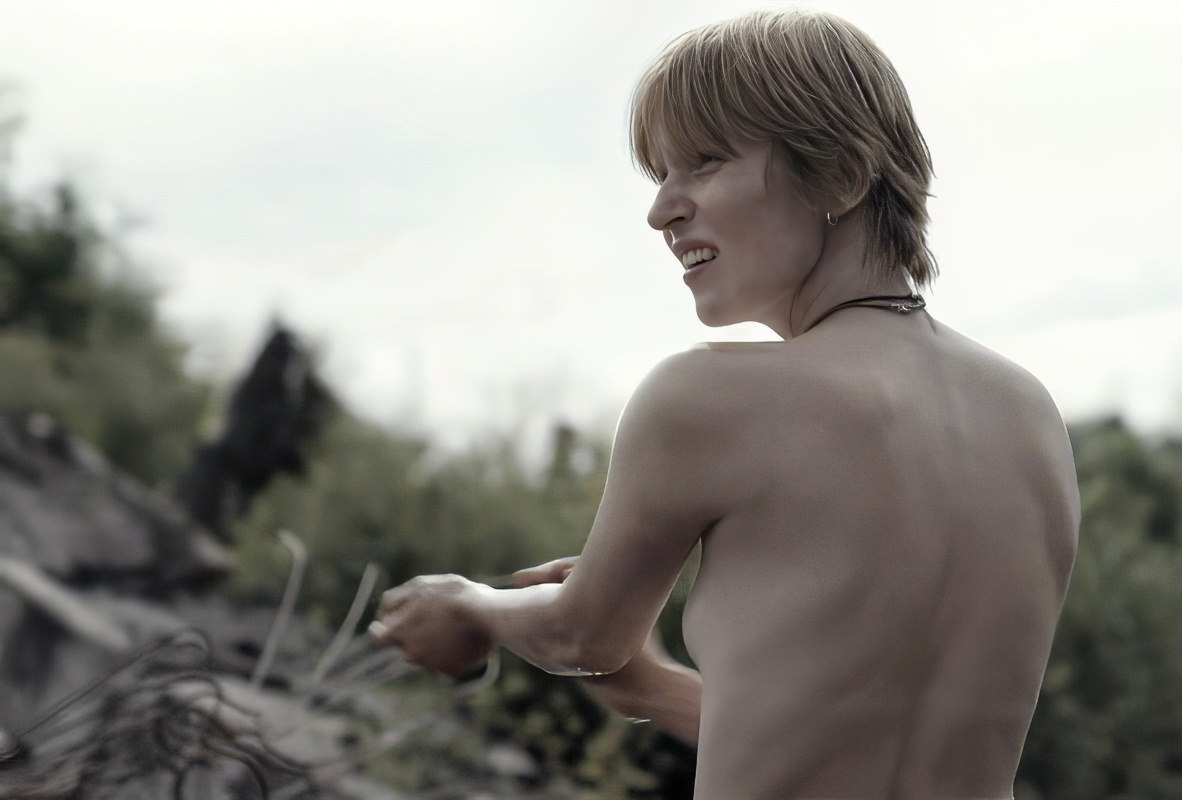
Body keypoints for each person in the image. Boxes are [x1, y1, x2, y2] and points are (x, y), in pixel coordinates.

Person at [369, 9, 1079, 799]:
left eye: (704, 164)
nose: (661, 211)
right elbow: (858, 739)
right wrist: (651, 688)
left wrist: (468, 607)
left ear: (840, 175)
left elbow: (580, 634)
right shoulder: (1029, 417)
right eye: (660, 176)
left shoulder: (707, 395)